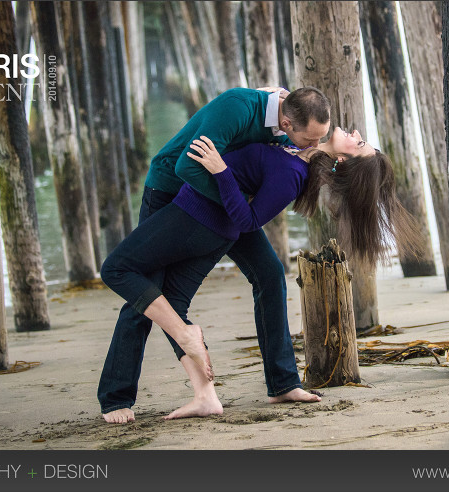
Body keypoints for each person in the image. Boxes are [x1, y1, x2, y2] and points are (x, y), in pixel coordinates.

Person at [100, 127, 419, 420]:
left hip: (220, 206)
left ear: (341, 159)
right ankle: (128, 396)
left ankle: (279, 383)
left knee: (151, 287)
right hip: (207, 198)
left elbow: (249, 217)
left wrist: (224, 171)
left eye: (360, 142)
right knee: (253, 277)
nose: (356, 131)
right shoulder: (305, 137)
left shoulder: (296, 167)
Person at [97, 87, 332, 424]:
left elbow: (278, 152)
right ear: (285, 121)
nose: (309, 148)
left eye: (317, 141)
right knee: (146, 288)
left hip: (225, 202)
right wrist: (237, 203)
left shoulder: (291, 115)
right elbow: (186, 168)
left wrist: (239, 202)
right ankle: (116, 397)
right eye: (308, 140)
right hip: (170, 189)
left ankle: (282, 383)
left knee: (268, 272)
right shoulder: (237, 109)